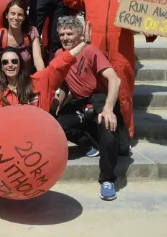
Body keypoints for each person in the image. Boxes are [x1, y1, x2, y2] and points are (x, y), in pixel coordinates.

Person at [61, 0, 155, 139]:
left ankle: (125, 136)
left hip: (121, 53)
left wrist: (150, 32)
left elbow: (148, 22)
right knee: (98, 97)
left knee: (124, 95)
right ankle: (102, 136)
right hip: (95, 54)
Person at [52, 16, 124, 201]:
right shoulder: (59, 54)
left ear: (79, 35)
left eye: (70, 33)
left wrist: (108, 108)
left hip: (98, 98)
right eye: (62, 34)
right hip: (78, 101)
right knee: (56, 125)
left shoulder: (91, 50)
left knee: (110, 132)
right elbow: (66, 84)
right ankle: (88, 143)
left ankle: (107, 180)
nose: (65, 38)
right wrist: (57, 102)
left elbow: (114, 79)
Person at [0, 28, 89, 114]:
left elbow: (60, 63)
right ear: (1, 67)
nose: (10, 65)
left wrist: (83, 44)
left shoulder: (38, 81)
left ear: (20, 64)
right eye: (5, 62)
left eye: (14, 61)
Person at [0, 0, 45, 74]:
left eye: (20, 15)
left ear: (24, 18)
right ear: (6, 15)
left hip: (28, 80)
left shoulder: (31, 32)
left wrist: (43, 79)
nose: (16, 18)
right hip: (6, 82)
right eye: (13, 13)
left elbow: (38, 60)